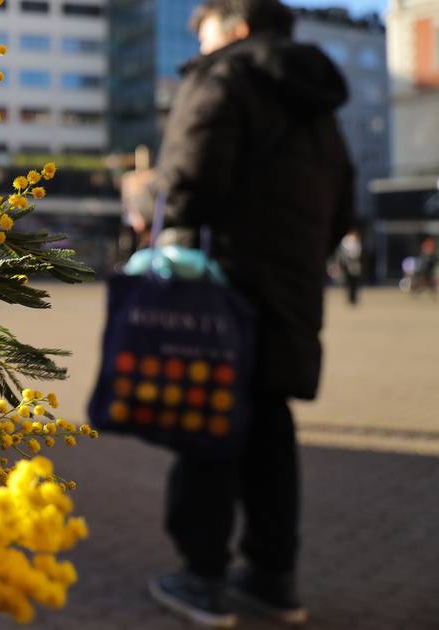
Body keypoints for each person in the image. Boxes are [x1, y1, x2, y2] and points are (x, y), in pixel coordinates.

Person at [142, 0, 354, 627]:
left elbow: (188, 178)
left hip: (223, 286)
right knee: (270, 424)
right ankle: (272, 578)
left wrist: (160, 206)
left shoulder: (222, 77)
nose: (200, 45)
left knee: (209, 419)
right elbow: (342, 208)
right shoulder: (320, 107)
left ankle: (201, 578)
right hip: (292, 288)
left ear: (234, 27)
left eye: (203, 30)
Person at [338, 230, 362, 306]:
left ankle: (354, 298)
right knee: (348, 283)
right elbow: (342, 252)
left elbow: (358, 252)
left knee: (355, 283)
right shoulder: (345, 241)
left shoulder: (357, 241)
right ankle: (350, 298)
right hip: (347, 264)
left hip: (354, 266)